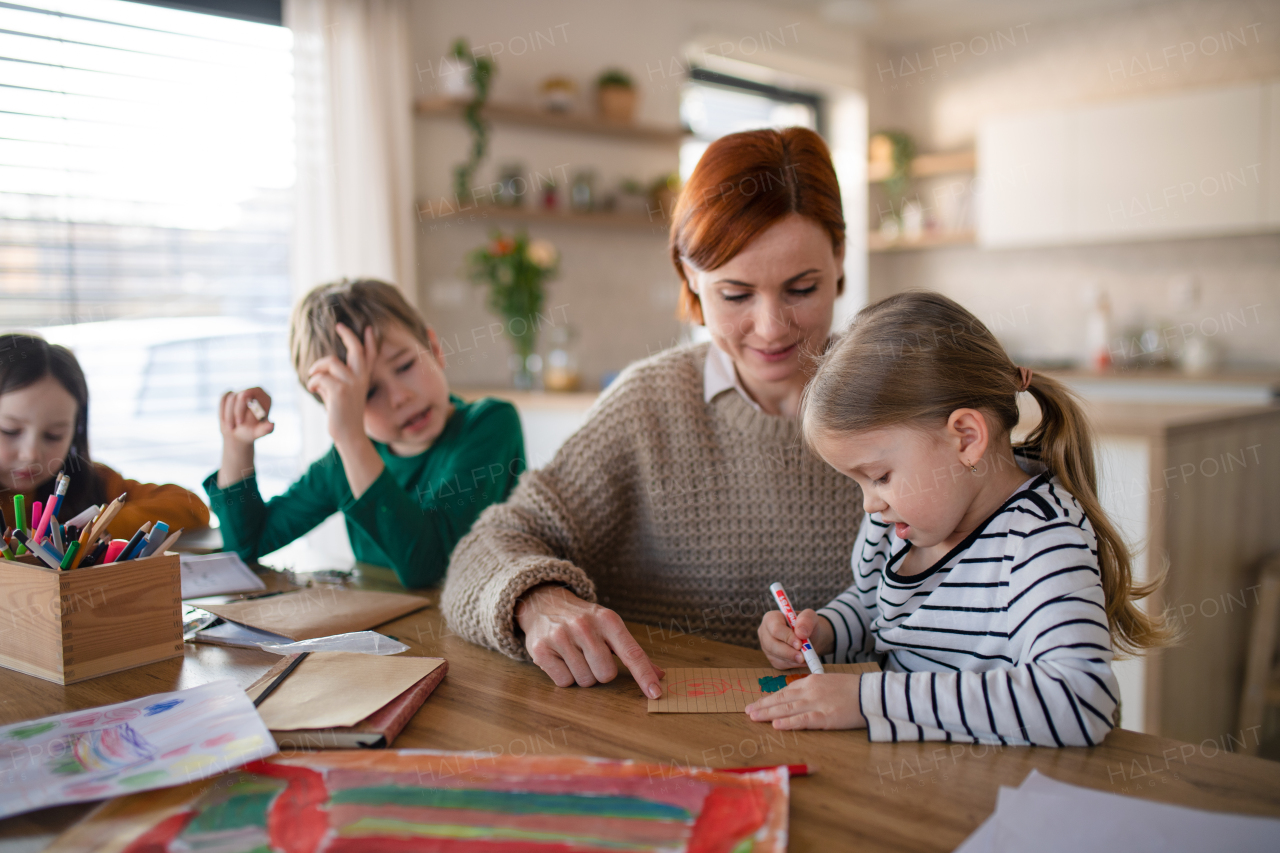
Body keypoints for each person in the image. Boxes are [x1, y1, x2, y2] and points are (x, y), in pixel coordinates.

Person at [442, 128, 864, 699]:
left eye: (802, 288)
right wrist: (536, 600)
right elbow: (489, 545)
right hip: (664, 754)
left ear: (839, 259)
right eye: (736, 295)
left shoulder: (894, 401)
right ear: (689, 275)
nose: (770, 327)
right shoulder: (648, 407)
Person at [747, 291, 1172, 746]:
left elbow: (1079, 700)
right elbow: (876, 607)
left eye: (880, 476)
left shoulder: (1040, 541)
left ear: (966, 438)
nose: (870, 504)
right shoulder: (895, 522)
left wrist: (870, 700)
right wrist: (824, 631)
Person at [205, 278, 524, 588]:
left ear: (435, 349)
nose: (400, 397)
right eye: (369, 392)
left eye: (404, 366)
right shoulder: (346, 461)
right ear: (337, 407)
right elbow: (245, 547)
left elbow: (426, 566)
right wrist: (237, 447)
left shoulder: (490, 424)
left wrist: (351, 438)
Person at [0, 333, 210, 539]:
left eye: (54, 435)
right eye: (9, 430)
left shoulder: (89, 482)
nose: (30, 454)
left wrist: (94, 530)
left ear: (75, 431)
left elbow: (192, 507)